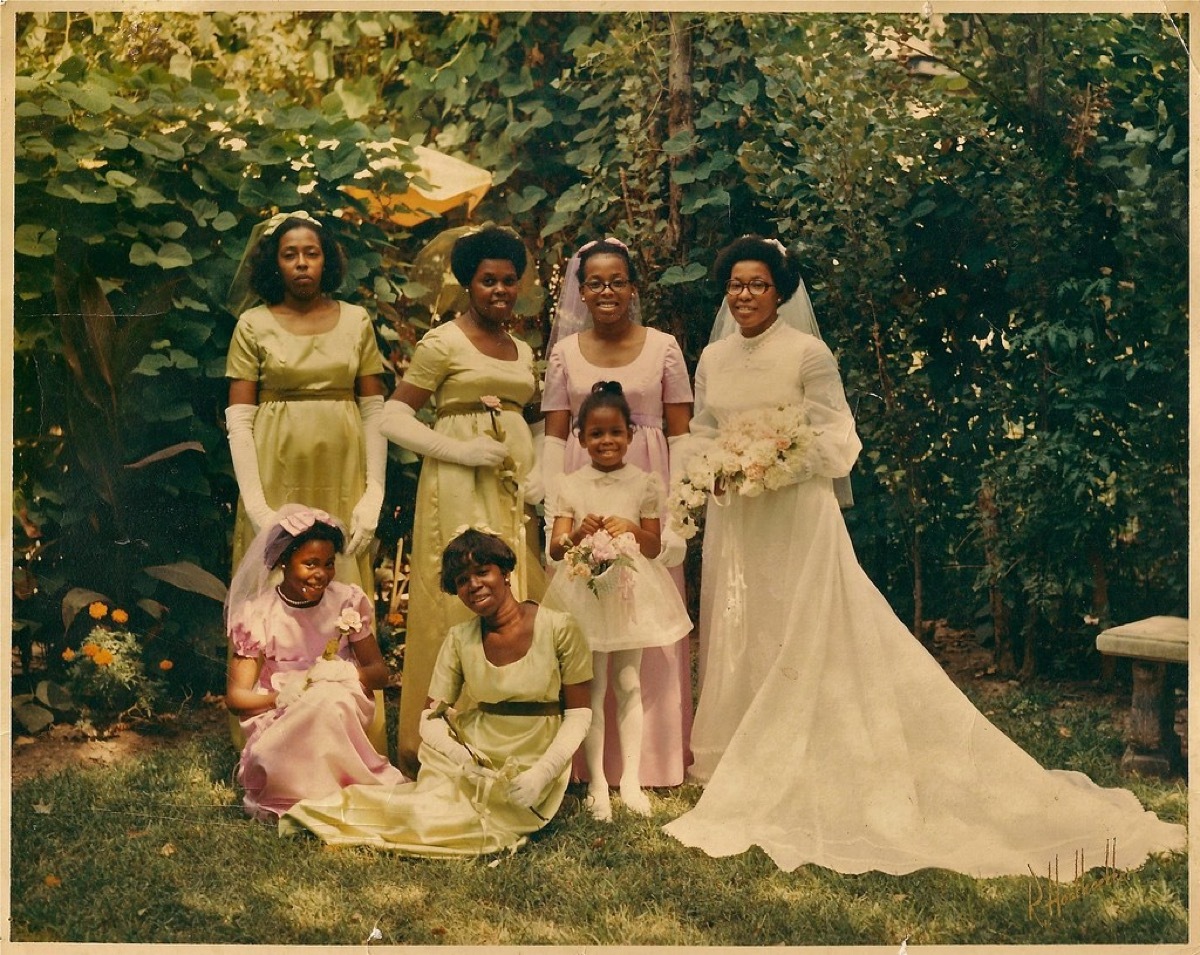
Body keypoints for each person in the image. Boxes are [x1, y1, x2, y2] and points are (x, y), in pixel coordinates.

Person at [662, 235, 1186, 879]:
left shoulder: (808, 353)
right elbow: (705, 431)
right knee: (742, 625)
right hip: (739, 517)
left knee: (802, 623)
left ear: (780, 292)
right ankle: (733, 752)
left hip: (796, 512)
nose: (744, 296)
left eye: (757, 285)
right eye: (735, 285)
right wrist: (716, 466)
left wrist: (774, 457)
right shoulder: (712, 357)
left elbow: (836, 437)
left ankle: (810, 754)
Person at [280, 528, 592, 855]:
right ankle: (317, 815)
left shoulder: (559, 627)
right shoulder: (460, 637)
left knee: (466, 826)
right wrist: (463, 760)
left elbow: (579, 714)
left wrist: (542, 774)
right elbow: (430, 716)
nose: (473, 585)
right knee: (421, 812)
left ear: (505, 572)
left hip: (534, 755)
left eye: (482, 572)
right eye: (461, 580)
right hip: (474, 755)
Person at [381, 226, 545, 779]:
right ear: (468, 284)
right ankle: (445, 742)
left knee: (516, 593)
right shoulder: (443, 342)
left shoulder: (523, 350)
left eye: (509, 281)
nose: (500, 290)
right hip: (455, 489)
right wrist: (458, 449)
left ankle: (513, 739)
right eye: (487, 281)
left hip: (511, 490)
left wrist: (539, 473)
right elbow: (393, 416)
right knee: (463, 597)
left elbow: (532, 422)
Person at [541, 238, 694, 789]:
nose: (607, 292)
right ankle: (589, 768)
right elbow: (556, 439)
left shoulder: (664, 347)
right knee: (588, 628)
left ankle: (651, 762)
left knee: (643, 625)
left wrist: (677, 515)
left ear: (633, 287)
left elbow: (683, 435)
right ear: (581, 292)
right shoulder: (565, 354)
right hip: (584, 495)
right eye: (595, 283)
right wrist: (550, 508)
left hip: (644, 492)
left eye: (617, 281)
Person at [544, 382, 692, 821]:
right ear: (581, 438)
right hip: (585, 592)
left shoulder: (645, 483)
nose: (606, 442)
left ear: (629, 435)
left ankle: (629, 779)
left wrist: (630, 525)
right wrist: (577, 534)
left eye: (614, 433)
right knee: (593, 686)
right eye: (595, 434)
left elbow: (651, 547)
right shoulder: (570, 485)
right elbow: (555, 550)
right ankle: (598, 784)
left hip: (630, 593)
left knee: (628, 682)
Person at [225, 210, 388, 594]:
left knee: (341, 584)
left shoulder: (356, 320)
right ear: (274, 262)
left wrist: (374, 494)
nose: (302, 263)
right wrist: (257, 508)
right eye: (290, 254)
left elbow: (374, 410)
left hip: (344, 476)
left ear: (326, 259)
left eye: (312, 253)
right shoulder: (253, 324)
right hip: (275, 473)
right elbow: (239, 419)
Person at [225, 505, 407, 821]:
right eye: (309, 564)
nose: (321, 574)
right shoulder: (259, 613)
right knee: (312, 704)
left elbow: (380, 674)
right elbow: (236, 698)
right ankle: (296, 791)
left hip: (339, 694)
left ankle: (338, 789)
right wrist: (279, 697)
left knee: (327, 698)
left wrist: (345, 671)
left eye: (328, 564)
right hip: (283, 707)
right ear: (283, 561)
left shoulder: (346, 601)